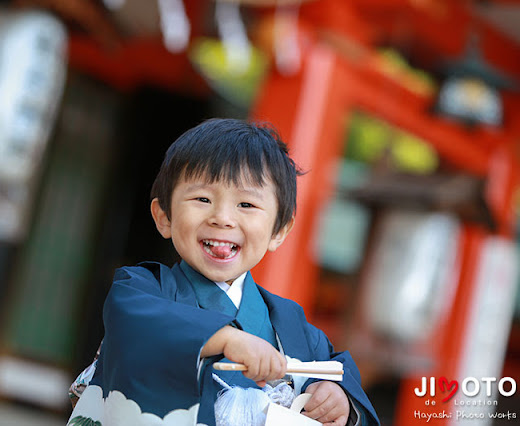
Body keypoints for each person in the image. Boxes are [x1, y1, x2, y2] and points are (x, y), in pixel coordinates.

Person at [68, 118, 379, 426]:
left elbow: (336, 371)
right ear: (163, 216)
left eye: (246, 204)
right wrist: (226, 339)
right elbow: (135, 327)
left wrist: (340, 401)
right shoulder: (141, 291)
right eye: (203, 199)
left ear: (279, 231)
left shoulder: (291, 324)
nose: (223, 218)